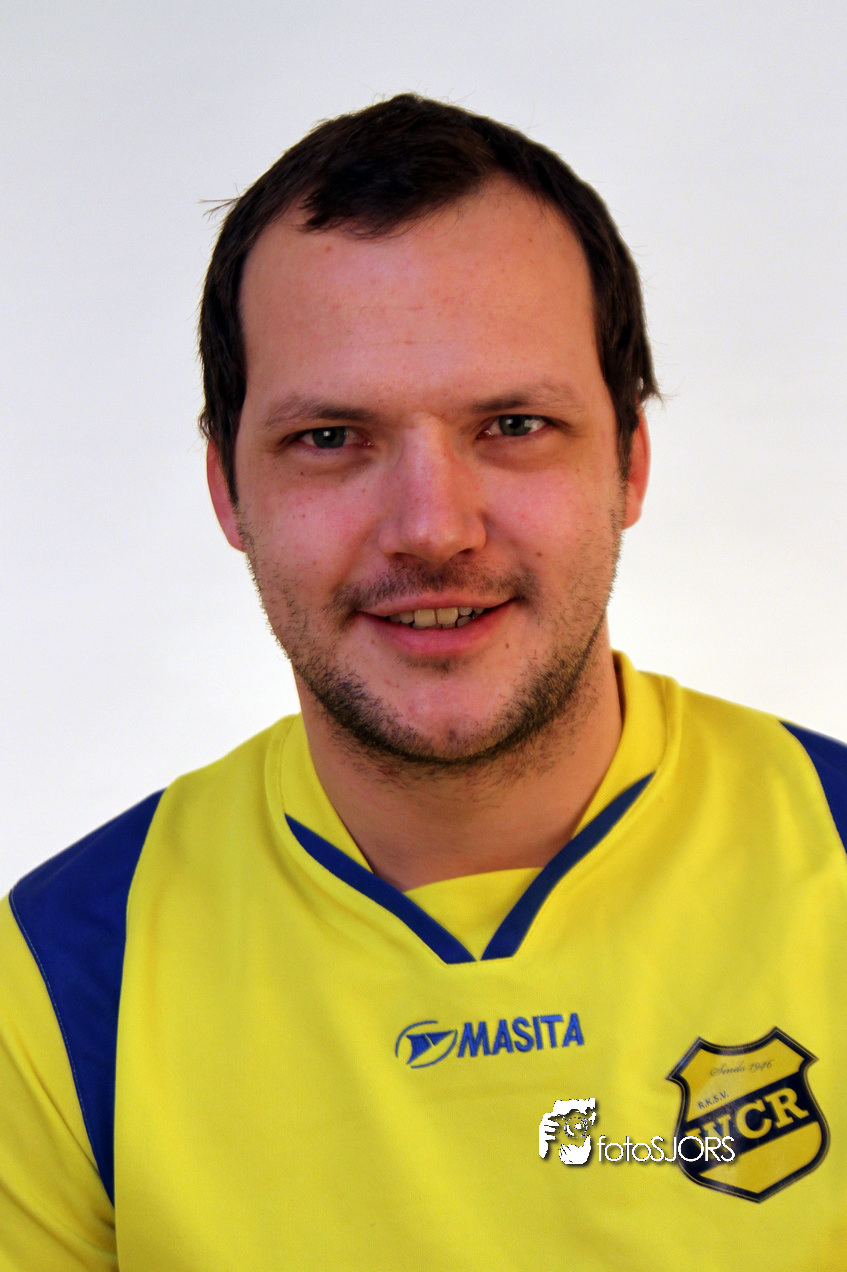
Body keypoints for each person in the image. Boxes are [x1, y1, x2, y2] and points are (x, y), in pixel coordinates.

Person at [1, 94, 845, 1270]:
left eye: (513, 423)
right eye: (329, 438)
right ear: (228, 492)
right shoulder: (55, 982)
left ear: (628, 463)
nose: (432, 528)